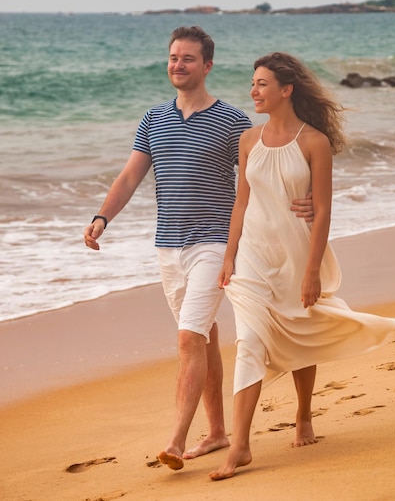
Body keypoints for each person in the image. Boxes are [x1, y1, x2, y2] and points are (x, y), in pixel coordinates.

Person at [84, 28, 314, 472]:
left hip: (215, 241)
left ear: (207, 66)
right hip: (168, 246)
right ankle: (217, 432)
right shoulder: (153, 120)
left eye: (188, 59)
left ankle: (174, 440)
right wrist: (101, 217)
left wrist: (305, 199)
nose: (178, 65)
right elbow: (130, 176)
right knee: (203, 336)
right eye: (173, 58)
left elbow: (261, 169)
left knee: (189, 337)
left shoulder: (231, 120)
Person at [209, 51, 395, 481]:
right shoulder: (248, 140)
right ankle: (240, 445)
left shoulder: (314, 142)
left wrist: (313, 270)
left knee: (300, 326)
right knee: (250, 341)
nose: (253, 90)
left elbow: (324, 210)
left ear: (286, 90)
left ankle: (304, 414)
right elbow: (242, 200)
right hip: (253, 255)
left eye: (261, 84)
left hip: (295, 252)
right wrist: (228, 254)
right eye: (253, 83)